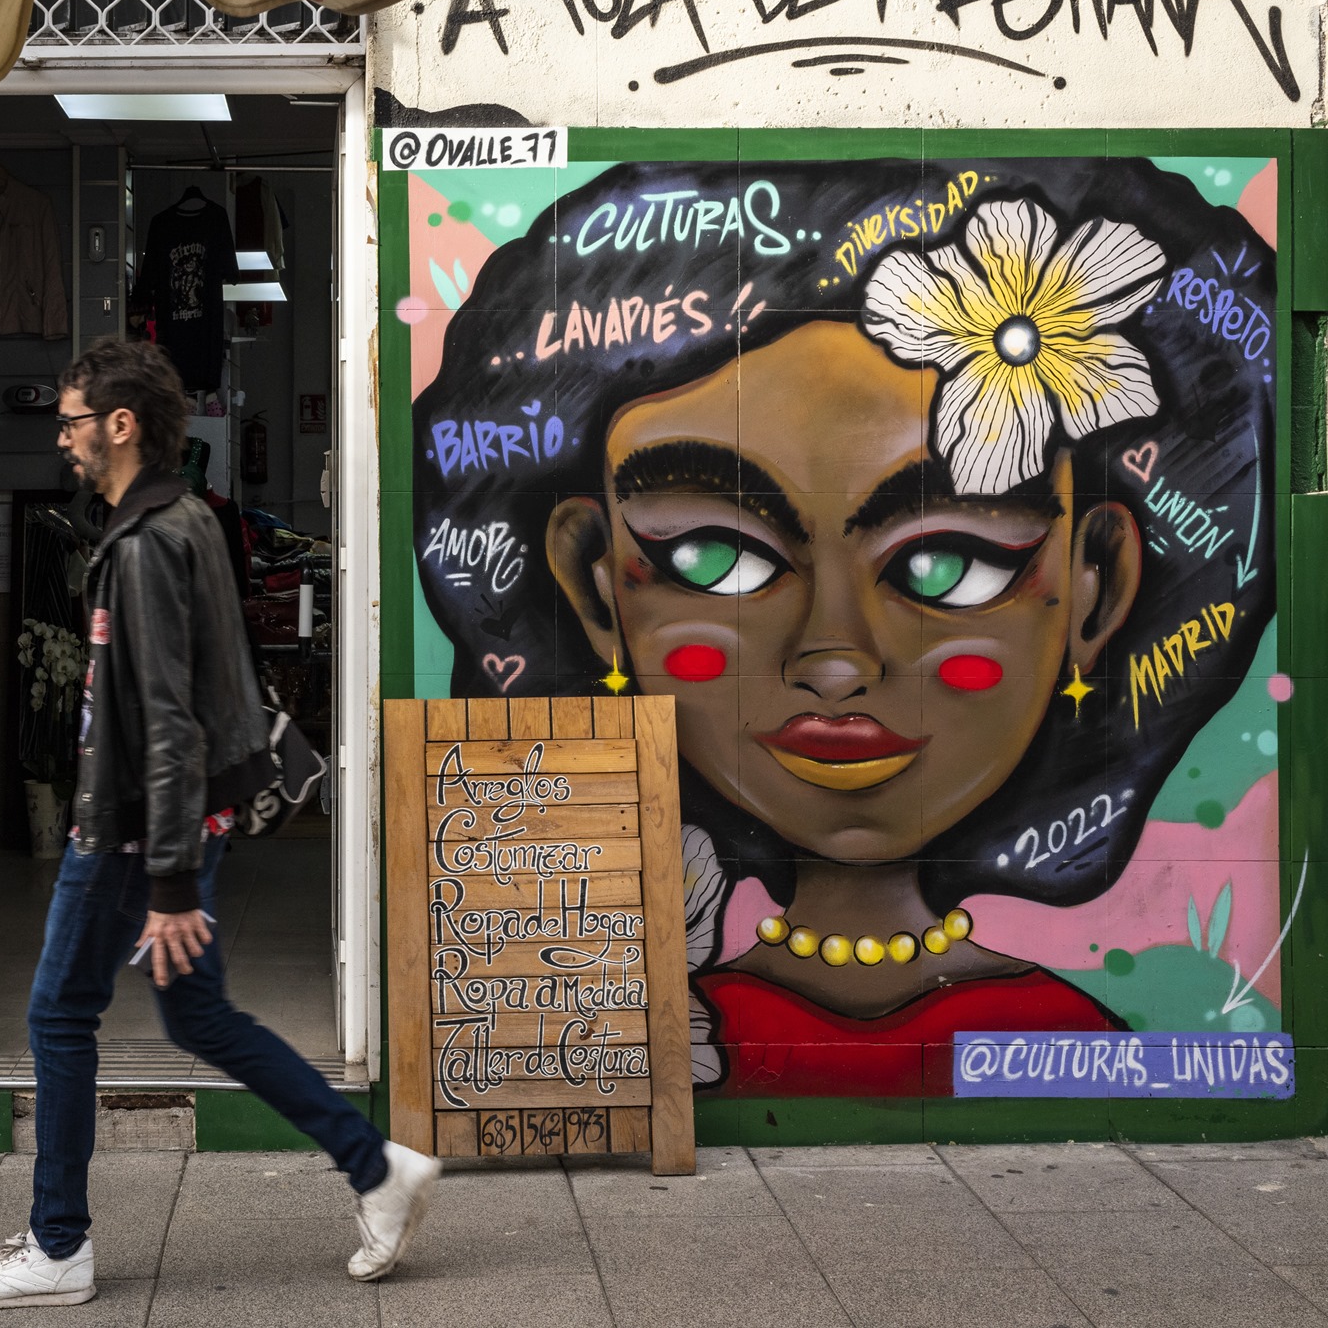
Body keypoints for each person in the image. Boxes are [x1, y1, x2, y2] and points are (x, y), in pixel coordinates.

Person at [410, 158, 1277, 1095]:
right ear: (592, 586)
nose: (835, 658)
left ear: (1097, 591)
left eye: (948, 564)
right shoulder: (622, 1038)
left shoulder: (1065, 1040)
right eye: (716, 558)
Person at [0, 341, 440, 1310]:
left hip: (130, 831)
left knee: (55, 1015)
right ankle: (375, 1167)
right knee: (196, 1014)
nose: (64, 437)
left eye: (75, 420)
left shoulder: (144, 545)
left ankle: (57, 1247)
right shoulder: (181, 521)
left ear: (120, 425)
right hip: (162, 822)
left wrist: (168, 883)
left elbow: (166, 722)